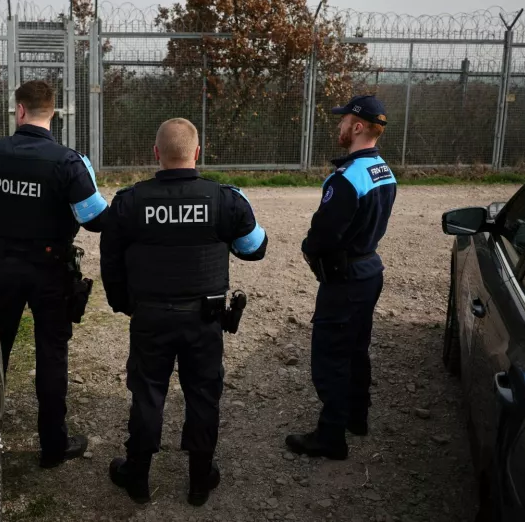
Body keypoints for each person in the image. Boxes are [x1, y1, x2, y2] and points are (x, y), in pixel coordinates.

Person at [100, 118, 268, 506]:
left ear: (156, 154)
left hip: (150, 316)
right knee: (203, 396)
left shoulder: (129, 202)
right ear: (198, 153)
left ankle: (137, 478)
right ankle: (198, 481)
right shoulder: (225, 199)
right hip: (204, 319)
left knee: (147, 394)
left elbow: (111, 260)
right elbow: (254, 249)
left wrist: (124, 304)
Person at [0, 79, 109, 469]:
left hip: (4, 266)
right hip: (52, 270)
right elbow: (95, 221)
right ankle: (53, 447)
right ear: (52, 114)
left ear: (19, 110)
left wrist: (3, 194)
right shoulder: (70, 162)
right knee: (52, 355)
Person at [286, 94, 397, 461]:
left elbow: (324, 233)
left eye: (344, 120)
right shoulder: (382, 169)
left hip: (345, 278)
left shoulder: (348, 178)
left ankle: (331, 436)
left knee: (330, 355)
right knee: (355, 347)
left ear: (359, 127)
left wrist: (309, 248)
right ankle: (356, 416)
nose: (339, 126)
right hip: (368, 271)